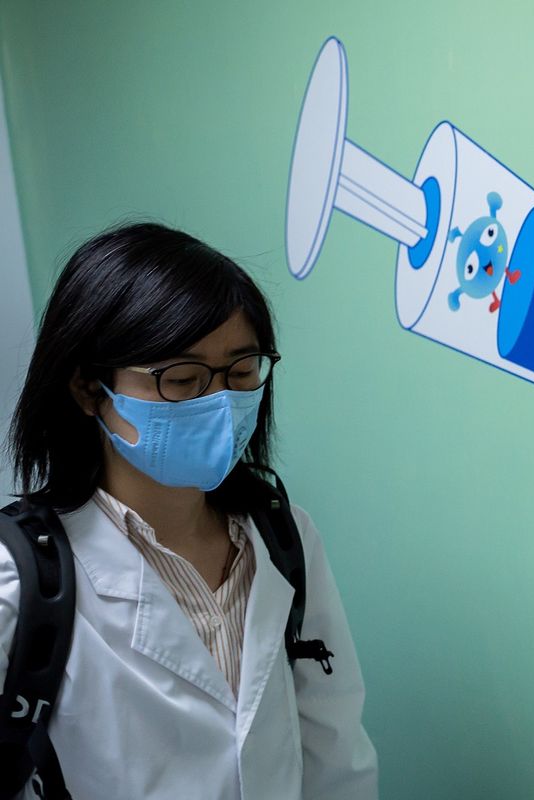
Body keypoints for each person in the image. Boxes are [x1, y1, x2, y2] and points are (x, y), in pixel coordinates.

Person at [2, 222, 378, 798]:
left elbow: (336, 758)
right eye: (181, 378)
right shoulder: (22, 581)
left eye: (242, 370)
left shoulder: (285, 539)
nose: (220, 403)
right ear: (87, 387)